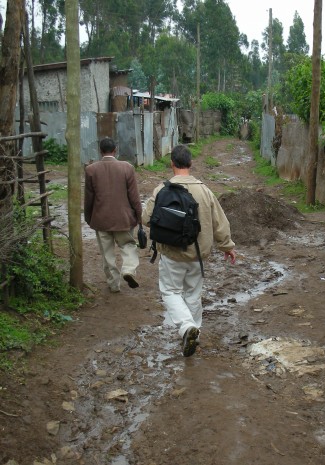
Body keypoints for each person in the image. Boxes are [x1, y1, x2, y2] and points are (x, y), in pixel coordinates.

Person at [142, 145, 236, 358]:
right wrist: (227, 246)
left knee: (170, 291)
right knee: (193, 294)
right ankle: (195, 333)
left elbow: (146, 219)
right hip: (198, 254)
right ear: (191, 164)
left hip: (171, 253)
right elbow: (219, 222)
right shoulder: (205, 190)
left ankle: (186, 328)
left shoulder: (161, 190)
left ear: (172, 164)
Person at [84, 137, 142, 292]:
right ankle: (129, 269)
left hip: (101, 219)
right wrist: (138, 215)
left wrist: (88, 217)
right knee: (128, 245)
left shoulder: (91, 170)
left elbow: (89, 197)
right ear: (115, 150)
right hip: (123, 219)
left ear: (100, 151)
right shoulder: (127, 168)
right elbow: (134, 196)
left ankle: (113, 284)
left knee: (107, 253)